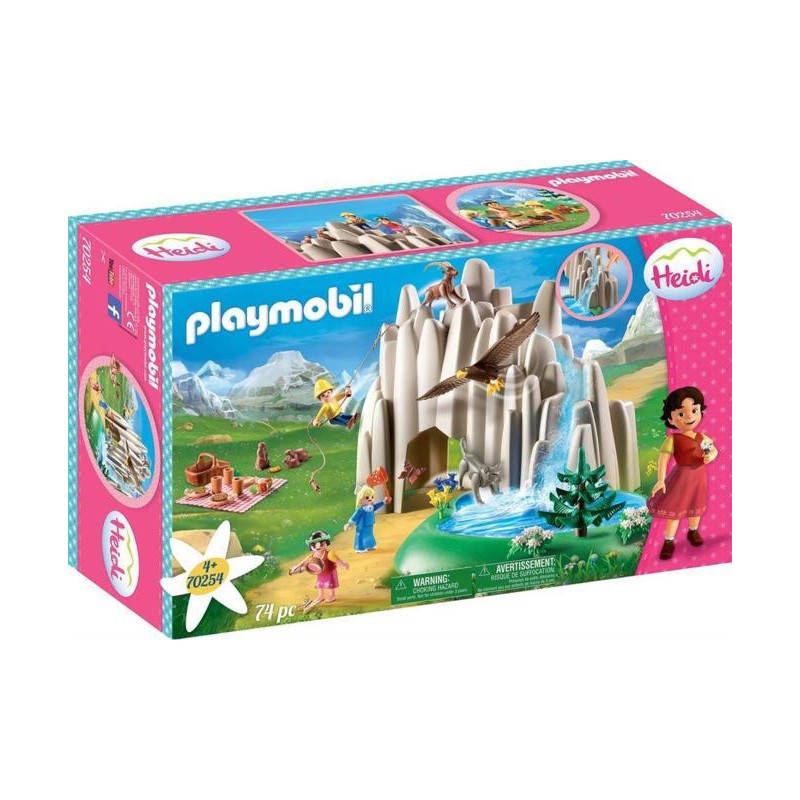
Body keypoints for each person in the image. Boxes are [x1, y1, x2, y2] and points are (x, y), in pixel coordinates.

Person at [647, 386, 718, 560]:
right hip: (680, 479)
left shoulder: (702, 438)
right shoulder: (673, 439)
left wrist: (710, 456)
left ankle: (693, 531)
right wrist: (661, 479)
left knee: (696, 506)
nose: (689, 416)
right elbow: (663, 459)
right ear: (670, 418)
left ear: (700, 411)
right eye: (681, 413)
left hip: (699, 478)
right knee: (676, 508)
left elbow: (714, 450)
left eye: (694, 410)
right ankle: (669, 540)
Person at [290, 531, 349, 607]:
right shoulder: (313, 554)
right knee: (320, 584)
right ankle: (321, 595)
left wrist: (343, 565)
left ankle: (332, 595)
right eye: (314, 545)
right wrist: (297, 566)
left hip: (329, 572)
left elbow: (337, 560)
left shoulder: (329, 554)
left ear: (326, 543)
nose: (318, 547)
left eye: (321, 544)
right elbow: (305, 561)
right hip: (320, 573)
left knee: (330, 584)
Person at [345, 485, 390, 552]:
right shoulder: (361, 509)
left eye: (372, 497)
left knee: (369, 535)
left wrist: (383, 502)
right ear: (360, 499)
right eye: (367, 497)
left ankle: (370, 545)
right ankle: (360, 547)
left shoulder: (370, 507)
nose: (370, 499)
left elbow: (376, 506)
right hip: (362, 525)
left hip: (370, 524)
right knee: (361, 535)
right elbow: (355, 516)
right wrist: (349, 524)